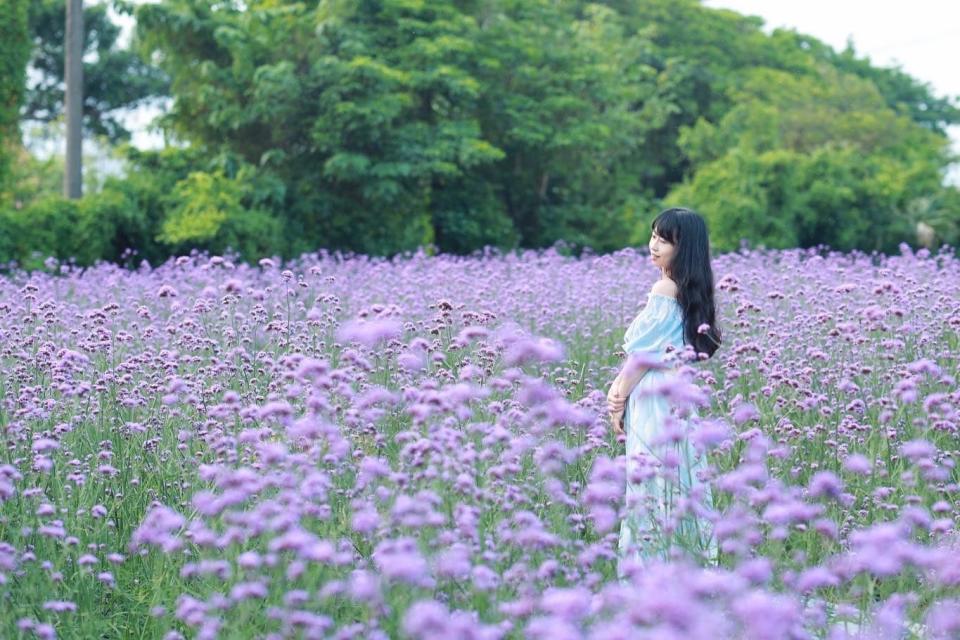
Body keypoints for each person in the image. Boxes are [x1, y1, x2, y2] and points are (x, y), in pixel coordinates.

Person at [606, 207, 723, 580]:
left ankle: (645, 576)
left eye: (665, 240)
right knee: (678, 478)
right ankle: (683, 569)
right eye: (654, 235)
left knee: (650, 481)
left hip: (654, 395)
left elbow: (641, 358)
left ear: (683, 248)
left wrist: (617, 396)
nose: (654, 245)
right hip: (678, 394)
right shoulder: (688, 291)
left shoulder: (664, 289)